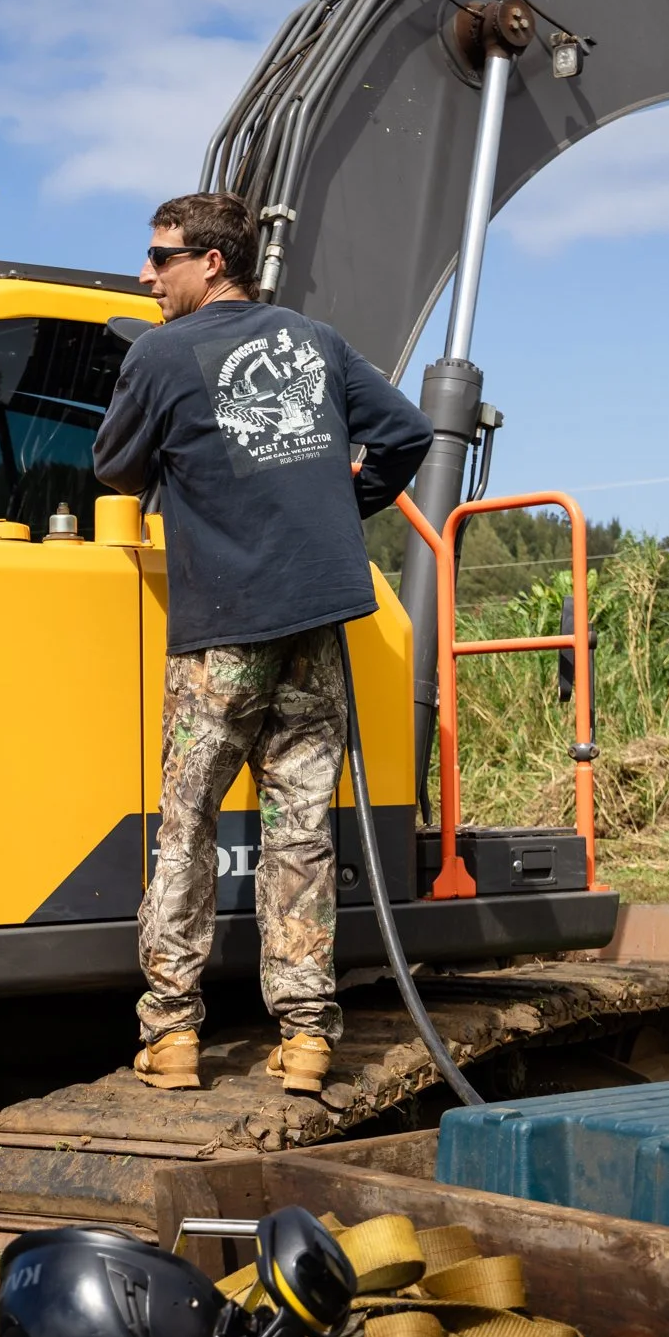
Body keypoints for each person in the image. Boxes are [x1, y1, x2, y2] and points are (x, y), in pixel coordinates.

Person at [93, 192, 433, 1096]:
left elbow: (116, 466)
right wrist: (336, 502)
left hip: (223, 633)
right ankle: (309, 1038)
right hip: (317, 625)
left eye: (161, 257)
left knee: (188, 827)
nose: (146, 274)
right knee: (300, 831)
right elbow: (406, 432)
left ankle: (170, 1037)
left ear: (211, 262)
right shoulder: (315, 343)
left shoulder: (162, 353)